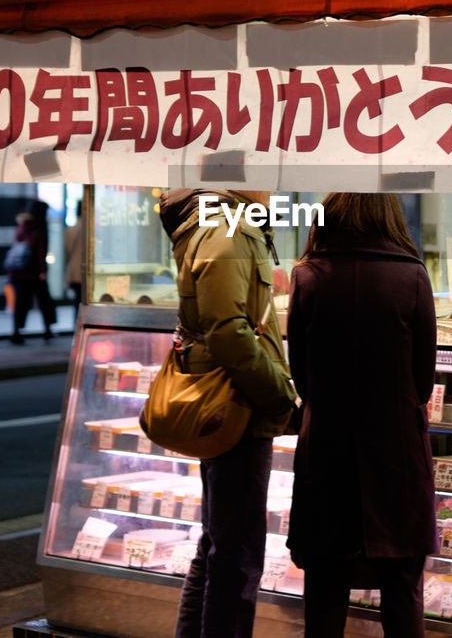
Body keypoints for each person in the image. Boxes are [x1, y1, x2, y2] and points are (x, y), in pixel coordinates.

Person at [286, 193, 437, 637]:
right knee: (402, 589)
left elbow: (302, 378)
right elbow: (422, 383)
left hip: (327, 454)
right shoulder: (412, 276)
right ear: (390, 216)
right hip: (396, 456)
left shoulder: (307, 276)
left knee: (325, 591)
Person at [157, 188, 297, 638]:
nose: (277, 186)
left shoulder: (225, 224)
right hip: (235, 405)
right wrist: (279, 397)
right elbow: (229, 331)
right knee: (236, 555)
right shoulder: (226, 230)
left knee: (219, 545)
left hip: (232, 401)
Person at [7, 199, 56, 345]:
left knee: (21, 303)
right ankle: (48, 329)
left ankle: (17, 331)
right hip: (33, 273)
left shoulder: (22, 225)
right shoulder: (39, 227)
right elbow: (41, 251)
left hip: (18, 272)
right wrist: (43, 271)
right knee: (44, 301)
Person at [64, 199, 86, 305]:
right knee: (84, 300)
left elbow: (67, 253)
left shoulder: (70, 229)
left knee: (77, 301)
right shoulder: (89, 229)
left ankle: (76, 321)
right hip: (85, 271)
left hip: (73, 272)